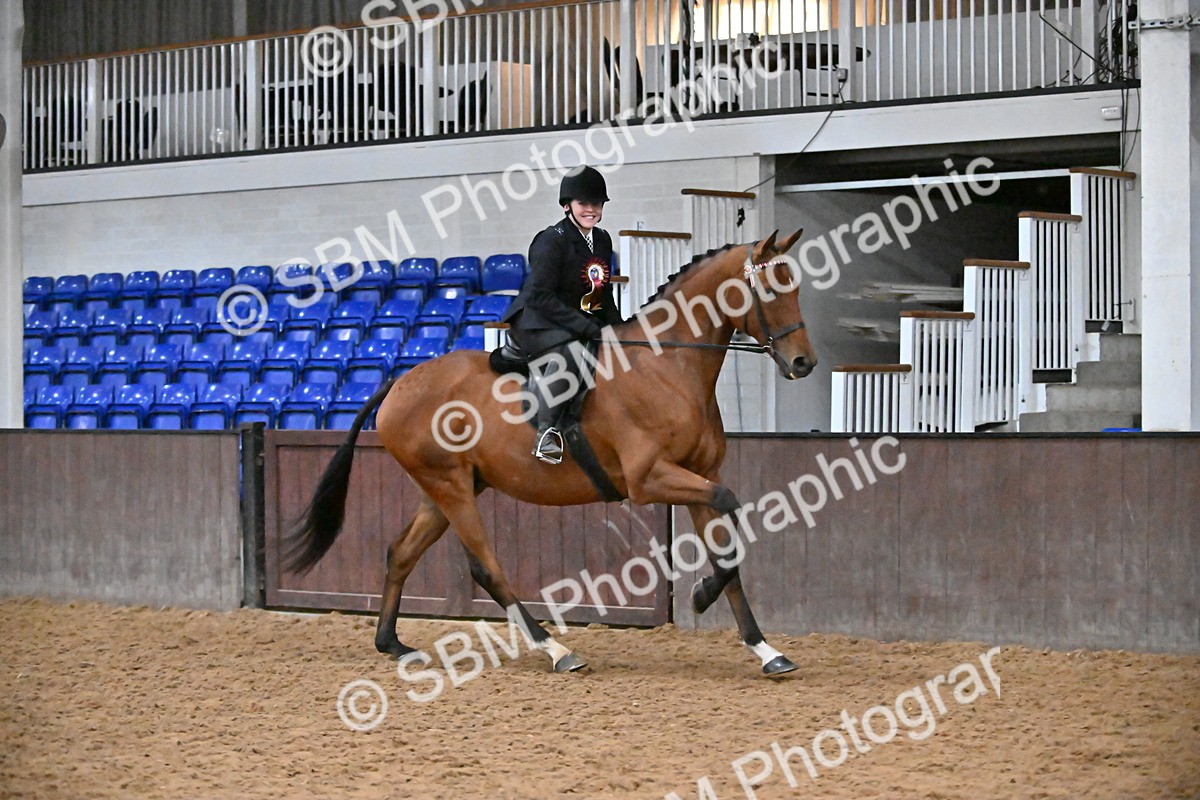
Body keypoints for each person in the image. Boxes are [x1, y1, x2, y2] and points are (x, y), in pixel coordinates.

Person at [501, 165, 622, 464]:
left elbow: (602, 292)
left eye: (597, 204)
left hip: (572, 320)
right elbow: (540, 296)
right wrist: (586, 327)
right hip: (535, 320)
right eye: (584, 203)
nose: (591, 210)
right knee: (572, 353)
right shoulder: (551, 240)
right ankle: (546, 434)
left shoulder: (602, 240)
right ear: (567, 206)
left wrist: (620, 329)